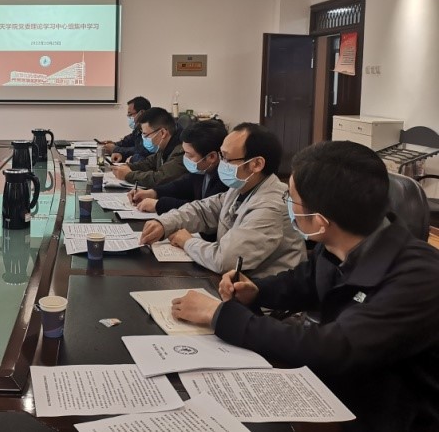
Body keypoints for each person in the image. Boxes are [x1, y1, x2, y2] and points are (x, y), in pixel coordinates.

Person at [170, 141, 439, 432]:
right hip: (340, 394)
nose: (287, 204)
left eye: (291, 199)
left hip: (392, 416)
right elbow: (307, 280)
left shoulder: (420, 278)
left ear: (320, 221)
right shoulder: (341, 241)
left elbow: (331, 347)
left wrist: (220, 316)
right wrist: (258, 290)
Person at [140, 122, 305, 277]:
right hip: (236, 283)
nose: (221, 163)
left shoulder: (271, 206)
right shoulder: (242, 187)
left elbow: (225, 260)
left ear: (256, 164)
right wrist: (165, 223)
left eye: (226, 158)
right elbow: (203, 210)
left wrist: (187, 242)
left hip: (264, 291)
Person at [130, 119, 228, 215]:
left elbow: (203, 210)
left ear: (211, 157)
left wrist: (159, 205)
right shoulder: (202, 171)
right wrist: (153, 192)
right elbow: (182, 185)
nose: (185, 158)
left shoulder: (225, 181)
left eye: (190, 155)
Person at [111, 107, 186, 187]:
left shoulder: (182, 150)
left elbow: (160, 178)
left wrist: (129, 175)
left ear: (163, 133)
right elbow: (148, 163)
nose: (144, 139)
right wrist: (127, 167)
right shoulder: (164, 146)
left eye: (146, 135)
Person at [102, 96, 152, 163]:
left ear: (141, 113)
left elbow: (141, 151)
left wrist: (115, 149)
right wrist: (113, 144)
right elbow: (127, 141)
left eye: (130, 114)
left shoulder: (151, 130)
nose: (129, 117)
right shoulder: (138, 129)